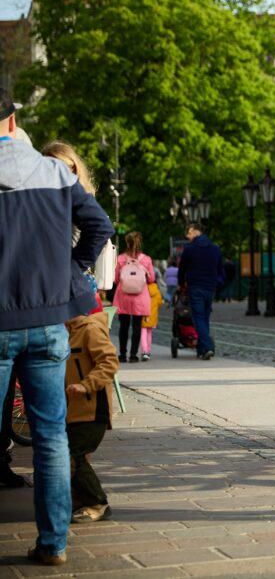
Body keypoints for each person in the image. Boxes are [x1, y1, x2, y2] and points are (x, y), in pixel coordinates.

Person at [0, 87, 114, 566]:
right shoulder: (51, 171)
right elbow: (100, 225)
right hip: (50, 322)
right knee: (50, 436)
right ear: (12, 121)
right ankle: (54, 544)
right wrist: (70, 271)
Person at [41, 141, 118, 297]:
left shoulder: (67, 198)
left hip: (66, 279)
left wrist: (73, 267)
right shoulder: (83, 196)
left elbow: (102, 228)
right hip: (79, 278)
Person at [64, 310, 118, 523]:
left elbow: (109, 362)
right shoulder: (66, 332)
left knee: (73, 456)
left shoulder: (90, 329)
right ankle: (80, 504)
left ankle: (98, 503)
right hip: (72, 411)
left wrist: (86, 385)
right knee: (73, 457)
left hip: (92, 409)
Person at [178, 223, 224, 360]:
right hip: (210, 288)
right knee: (205, 317)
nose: (187, 235)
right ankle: (201, 350)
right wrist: (218, 284)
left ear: (197, 232)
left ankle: (208, 346)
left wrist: (181, 284)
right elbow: (220, 270)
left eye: (190, 232)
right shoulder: (215, 249)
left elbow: (182, 269)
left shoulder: (189, 249)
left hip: (195, 287)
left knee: (198, 317)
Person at [112, 231, 156, 363]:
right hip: (140, 296)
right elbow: (151, 279)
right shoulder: (146, 260)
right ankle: (133, 355)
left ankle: (123, 354)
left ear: (127, 242)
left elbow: (115, 279)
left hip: (123, 296)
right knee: (137, 326)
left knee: (123, 326)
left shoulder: (120, 259)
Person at [139, 281, 163, 361]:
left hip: (143, 313)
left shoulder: (142, 288)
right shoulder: (156, 290)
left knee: (143, 332)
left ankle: (144, 351)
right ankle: (148, 351)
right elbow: (160, 302)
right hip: (153, 314)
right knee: (149, 332)